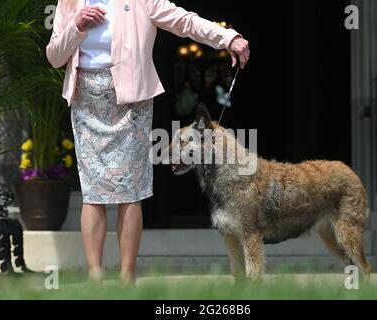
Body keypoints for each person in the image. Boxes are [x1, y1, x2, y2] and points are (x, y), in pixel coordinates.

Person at [46, 0, 250, 285]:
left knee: (130, 189)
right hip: (86, 103)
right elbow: (55, 56)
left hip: (132, 103)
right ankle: (95, 278)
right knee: (93, 192)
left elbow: (185, 21)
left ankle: (127, 277)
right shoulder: (69, 2)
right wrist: (76, 26)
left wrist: (229, 38)